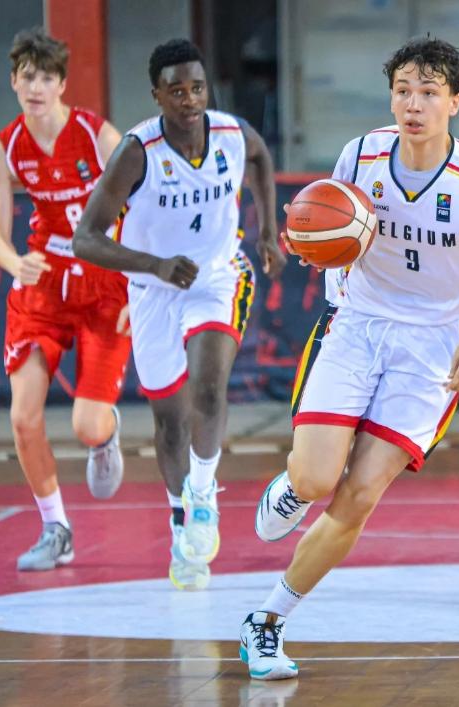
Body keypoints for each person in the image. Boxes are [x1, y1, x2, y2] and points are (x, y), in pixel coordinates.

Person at [238, 37, 459, 681]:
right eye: (402, 91)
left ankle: (267, 621)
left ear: (454, 101)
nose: (413, 105)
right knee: (316, 481)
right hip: (359, 324)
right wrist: (313, 242)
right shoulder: (361, 154)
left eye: (428, 93)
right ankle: (292, 486)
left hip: (433, 347)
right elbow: (328, 225)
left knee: (359, 495)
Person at [73, 39, 285, 591]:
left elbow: (261, 158)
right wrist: (155, 265)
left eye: (197, 87)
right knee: (169, 421)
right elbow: (85, 239)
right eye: (176, 90)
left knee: (209, 387)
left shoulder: (232, 135)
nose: (189, 99)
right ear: (157, 96)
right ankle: (178, 519)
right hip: (153, 289)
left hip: (217, 276)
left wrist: (266, 230)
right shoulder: (137, 153)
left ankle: (204, 496)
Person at [0, 28, 129, 572]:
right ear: (15, 83)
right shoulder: (4, 148)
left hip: (102, 286)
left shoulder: (98, 136)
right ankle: (55, 528)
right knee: (24, 418)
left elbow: (141, 214)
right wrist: (10, 261)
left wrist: (140, 285)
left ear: (63, 84)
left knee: (86, 424)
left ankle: (104, 437)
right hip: (42, 284)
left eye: (47, 78)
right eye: (28, 78)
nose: (37, 87)